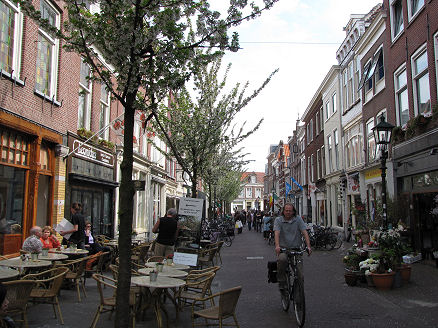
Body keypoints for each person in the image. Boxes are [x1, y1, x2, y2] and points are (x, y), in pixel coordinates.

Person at [274, 203, 312, 291]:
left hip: (296, 249)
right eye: (286, 211)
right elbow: (277, 233)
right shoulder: (278, 220)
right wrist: (277, 246)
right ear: (283, 211)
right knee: (282, 260)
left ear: (293, 212)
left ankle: (299, 298)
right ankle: (282, 282)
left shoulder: (298, 219)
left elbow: (304, 232)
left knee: (300, 275)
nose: (288, 212)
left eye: (290, 211)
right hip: (283, 249)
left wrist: (308, 246)